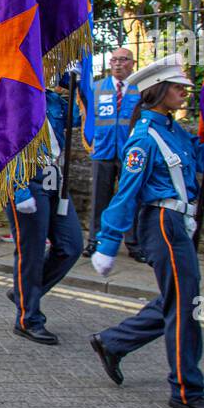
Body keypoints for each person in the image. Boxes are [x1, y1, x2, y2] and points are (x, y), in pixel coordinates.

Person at [88, 54, 204, 408]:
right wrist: (108, 243)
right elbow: (126, 194)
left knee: (182, 297)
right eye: (177, 87)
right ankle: (187, 389)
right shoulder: (144, 138)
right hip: (161, 224)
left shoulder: (172, 130)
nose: (185, 92)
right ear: (157, 91)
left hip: (177, 224)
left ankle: (114, 342)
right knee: (186, 304)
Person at [4, 75, 83, 345]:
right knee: (31, 252)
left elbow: (75, 120)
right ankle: (28, 318)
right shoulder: (13, 94)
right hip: (24, 177)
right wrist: (20, 189)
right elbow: (4, 140)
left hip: (53, 175)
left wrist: (77, 87)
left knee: (71, 246)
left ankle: (25, 292)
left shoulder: (52, 99)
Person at [83, 47, 143, 260]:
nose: (118, 64)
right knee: (99, 199)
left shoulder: (141, 90)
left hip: (130, 153)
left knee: (130, 199)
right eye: (114, 60)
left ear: (132, 63)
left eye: (123, 60)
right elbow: (87, 118)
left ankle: (134, 244)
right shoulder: (97, 88)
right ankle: (94, 241)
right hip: (103, 150)